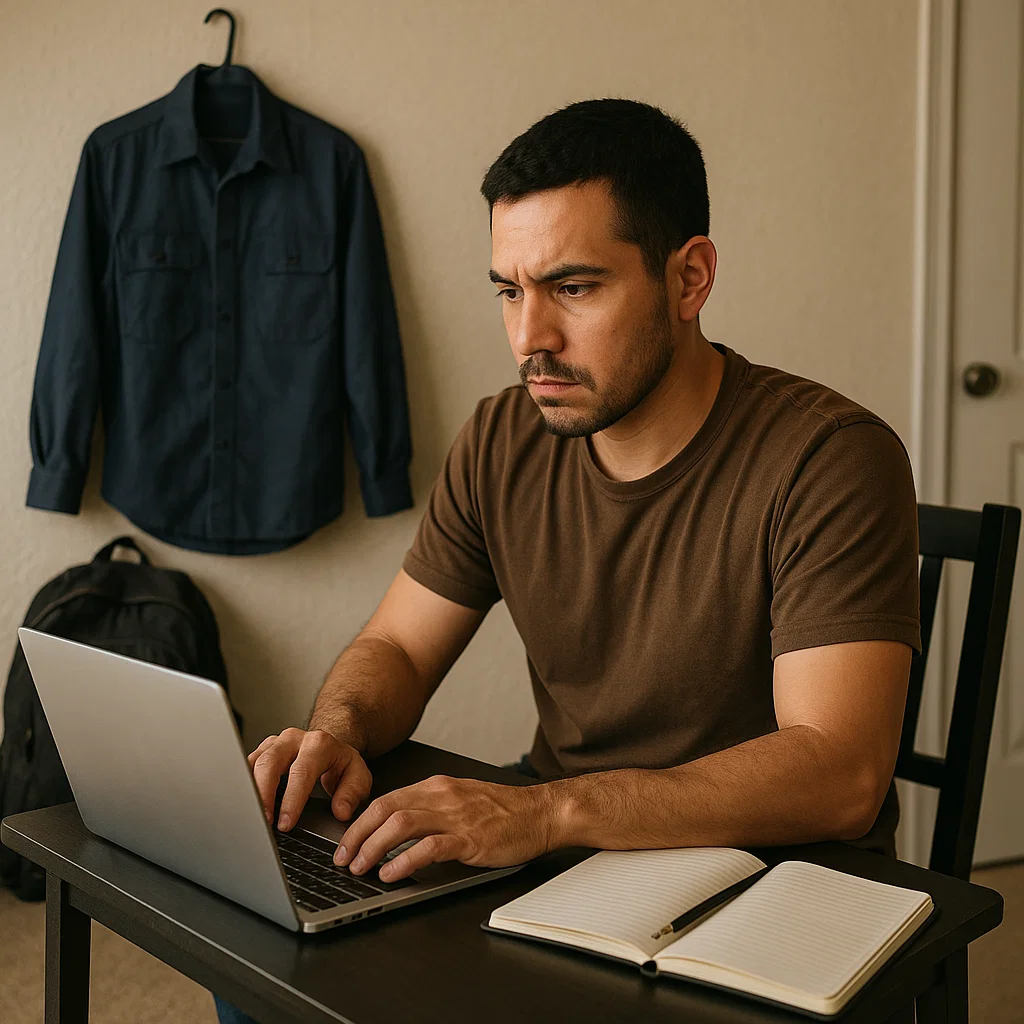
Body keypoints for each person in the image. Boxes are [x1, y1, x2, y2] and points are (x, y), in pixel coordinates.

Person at [214, 98, 920, 1023]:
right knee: (268, 969)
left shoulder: (831, 457)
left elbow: (839, 773)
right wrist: (338, 730)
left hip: (773, 884)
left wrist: (540, 814)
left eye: (574, 288)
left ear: (690, 277)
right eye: (509, 289)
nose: (528, 338)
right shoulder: (503, 436)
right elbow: (399, 644)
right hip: (567, 862)